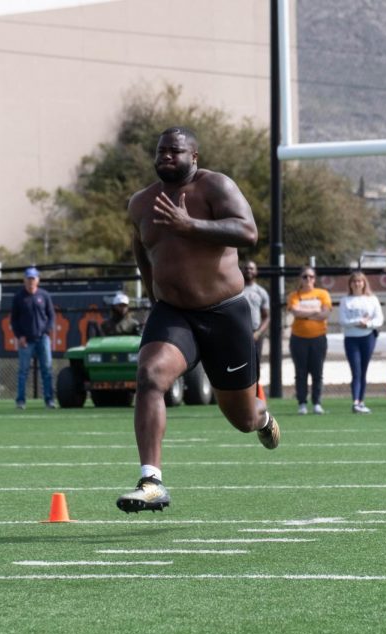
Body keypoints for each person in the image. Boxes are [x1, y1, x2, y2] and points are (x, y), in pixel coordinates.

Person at [116, 126, 280, 514]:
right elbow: (142, 248)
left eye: (174, 151)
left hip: (225, 314)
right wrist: (152, 291)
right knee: (150, 376)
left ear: (194, 157)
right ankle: (151, 480)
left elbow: (248, 231)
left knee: (242, 418)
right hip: (174, 314)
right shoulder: (141, 203)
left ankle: (263, 417)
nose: (165, 157)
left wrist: (190, 226)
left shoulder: (215, 186)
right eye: (160, 152)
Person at [287, 266, 332, 415]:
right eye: (305, 276)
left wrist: (305, 314)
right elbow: (295, 312)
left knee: (317, 372)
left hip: (318, 338)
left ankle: (317, 403)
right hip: (298, 339)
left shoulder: (322, 293)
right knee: (301, 372)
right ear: (300, 279)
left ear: (315, 278)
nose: (308, 279)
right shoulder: (294, 295)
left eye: (311, 276)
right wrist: (314, 312)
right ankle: (302, 403)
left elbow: (324, 314)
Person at [11, 267, 56, 409]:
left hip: (42, 338)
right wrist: (20, 336)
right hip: (26, 340)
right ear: (24, 280)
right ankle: (21, 401)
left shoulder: (44, 295)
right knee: (23, 371)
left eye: (33, 278)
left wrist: (47, 330)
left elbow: (51, 316)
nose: (31, 281)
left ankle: (49, 400)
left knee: (47, 370)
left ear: (38, 280)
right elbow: (14, 320)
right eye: (28, 278)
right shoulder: (19, 297)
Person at [339, 271, 383, 414]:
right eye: (354, 281)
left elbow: (379, 319)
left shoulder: (372, 299)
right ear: (350, 284)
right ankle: (355, 402)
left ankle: (361, 401)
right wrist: (358, 322)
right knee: (356, 370)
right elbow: (343, 321)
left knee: (363, 371)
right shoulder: (345, 300)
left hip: (368, 338)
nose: (357, 284)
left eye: (360, 281)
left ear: (364, 283)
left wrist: (368, 324)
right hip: (351, 339)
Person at [241, 260, 270, 398]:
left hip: (255, 334)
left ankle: (256, 397)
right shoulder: (236, 290)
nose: (249, 271)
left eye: (252, 268)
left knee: (255, 366)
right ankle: (241, 397)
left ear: (256, 272)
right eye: (246, 268)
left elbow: (267, 317)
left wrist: (258, 332)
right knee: (239, 366)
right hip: (238, 334)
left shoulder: (261, 292)